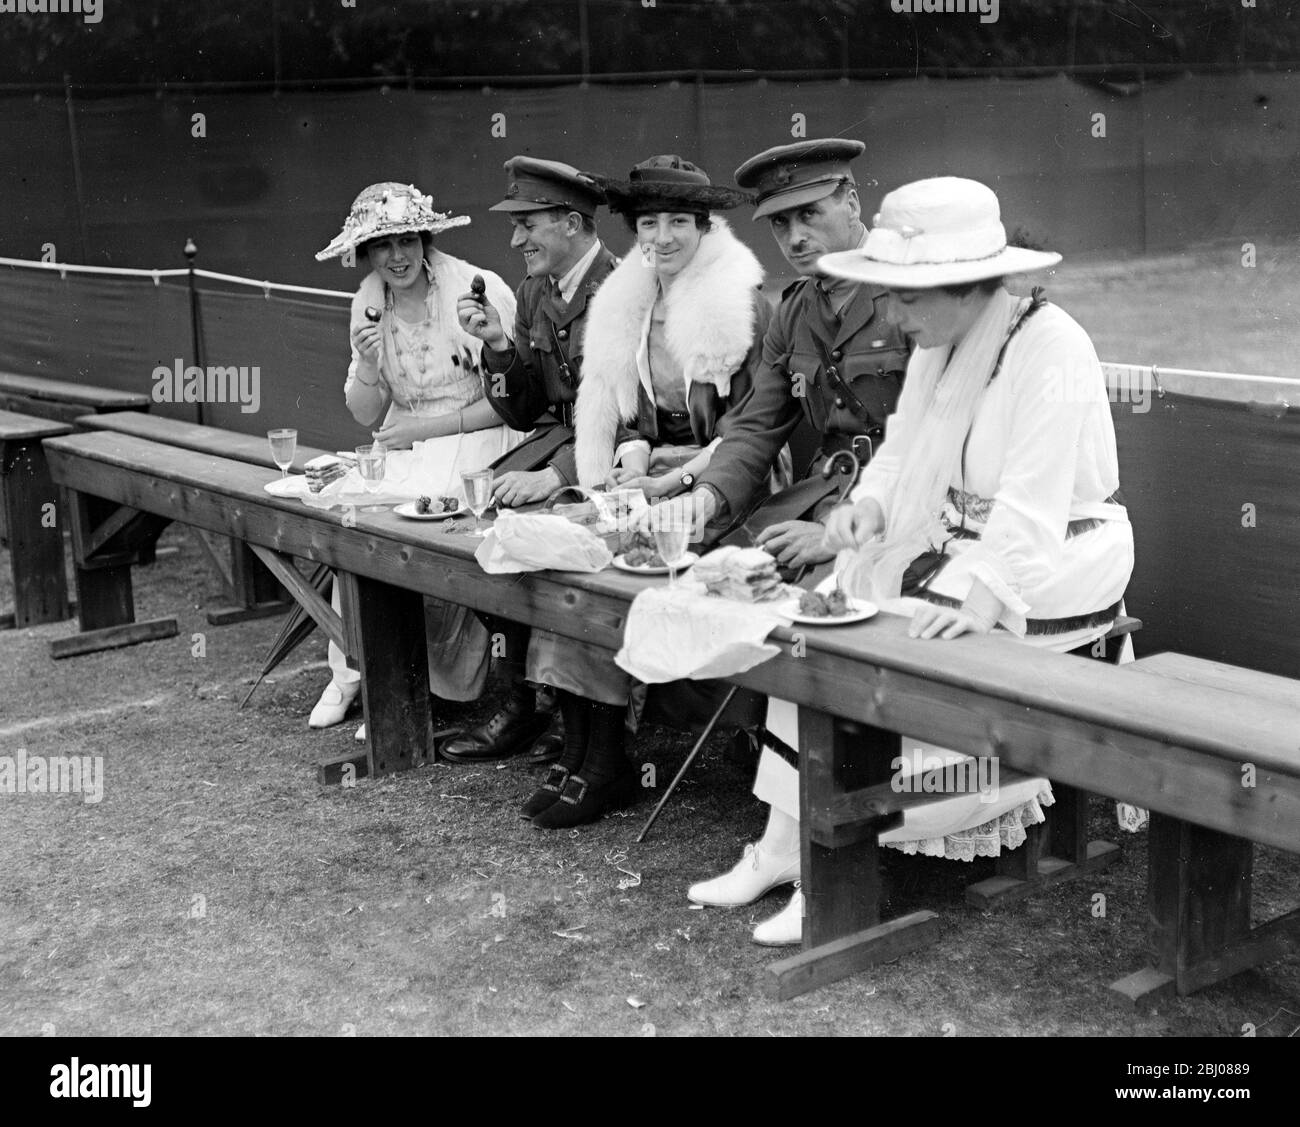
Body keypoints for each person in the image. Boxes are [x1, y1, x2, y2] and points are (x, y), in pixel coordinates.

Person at [686, 176, 1135, 945]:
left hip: (1051, 561)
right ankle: (779, 842)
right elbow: (900, 454)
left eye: (906, 297)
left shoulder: (1054, 346)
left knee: (896, 638)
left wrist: (966, 599)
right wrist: (867, 510)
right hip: (962, 541)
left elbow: (1027, 516)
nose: (890, 315)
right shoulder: (944, 339)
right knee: (824, 606)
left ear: (968, 287)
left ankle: (837, 847)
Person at [522, 154, 771, 829]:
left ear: (705, 226)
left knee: (612, 559)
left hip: (722, 481)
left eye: (678, 224)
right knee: (568, 541)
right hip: (653, 470)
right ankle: (584, 747)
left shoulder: (742, 302)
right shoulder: (630, 298)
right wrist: (632, 453)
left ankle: (607, 762)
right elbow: (631, 414)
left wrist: (679, 476)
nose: (661, 239)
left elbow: (753, 429)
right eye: (649, 224)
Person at [308, 181, 519, 734]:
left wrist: (425, 428)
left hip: (477, 434)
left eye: (405, 240)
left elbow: (513, 404)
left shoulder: (474, 290)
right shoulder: (369, 300)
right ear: (366, 254)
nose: (396, 257)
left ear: (424, 239)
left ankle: (432, 687)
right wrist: (369, 364)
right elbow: (363, 412)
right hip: (404, 438)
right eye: (382, 246)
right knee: (354, 514)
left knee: (432, 519)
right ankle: (355, 669)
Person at [662, 139, 910, 574]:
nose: (795, 238)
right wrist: (707, 494)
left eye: (809, 215)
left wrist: (838, 533)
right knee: (712, 571)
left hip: (898, 506)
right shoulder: (794, 310)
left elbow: (941, 443)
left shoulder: (912, 296)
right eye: (780, 222)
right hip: (822, 489)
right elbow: (757, 425)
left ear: (851, 203)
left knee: (813, 603)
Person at [445, 157, 619, 766]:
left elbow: (631, 414)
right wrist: (496, 344)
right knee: (476, 518)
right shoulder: (534, 292)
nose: (516, 240)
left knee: (540, 530)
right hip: (559, 439)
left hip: (613, 456)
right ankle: (526, 699)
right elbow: (525, 411)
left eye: (528, 224)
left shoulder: (619, 292)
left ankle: (560, 705)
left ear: (572, 224)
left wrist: (556, 476)